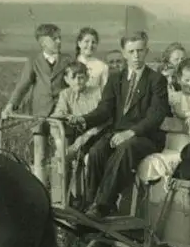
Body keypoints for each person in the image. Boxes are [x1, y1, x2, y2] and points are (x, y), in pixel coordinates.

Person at [70, 31, 170, 219]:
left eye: (140, 51)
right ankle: (92, 203)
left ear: (146, 51)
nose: (136, 56)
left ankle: (102, 205)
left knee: (125, 148)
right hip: (118, 134)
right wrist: (85, 119)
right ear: (124, 53)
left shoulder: (156, 80)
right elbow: (105, 109)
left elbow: (155, 116)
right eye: (131, 51)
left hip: (145, 137)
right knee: (96, 152)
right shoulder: (116, 79)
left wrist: (131, 132)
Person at [1, 23, 76, 184]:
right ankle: (40, 190)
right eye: (54, 39)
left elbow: (74, 84)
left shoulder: (67, 60)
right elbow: (23, 85)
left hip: (61, 115)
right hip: (39, 114)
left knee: (61, 154)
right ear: (43, 43)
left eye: (59, 38)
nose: (58, 41)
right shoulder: (34, 61)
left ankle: (58, 195)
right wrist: (11, 105)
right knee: (40, 154)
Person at [137, 58, 190, 183]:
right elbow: (178, 111)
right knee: (171, 156)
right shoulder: (175, 96)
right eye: (186, 80)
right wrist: (189, 115)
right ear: (179, 80)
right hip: (176, 136)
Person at [49, 62, 105, 202]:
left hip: (97, 135)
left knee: (86, 156)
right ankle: (59, 200)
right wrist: (59, 141)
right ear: (67, 80)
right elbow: (55, 119)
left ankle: (88, 200)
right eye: (73, 78)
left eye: (81, 77)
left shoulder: (98, 92)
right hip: (79, 138)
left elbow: (104, 120)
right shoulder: (66, 94)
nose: (78, 82)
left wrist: (83, 138)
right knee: (59, 156)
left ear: (87, 78)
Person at [74, 26, 109, 100]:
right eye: (86, 41)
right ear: (79, 43)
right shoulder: (71, 63)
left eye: (93, 42)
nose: (90, 45)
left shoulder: (102, 66)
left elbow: (104, 93)